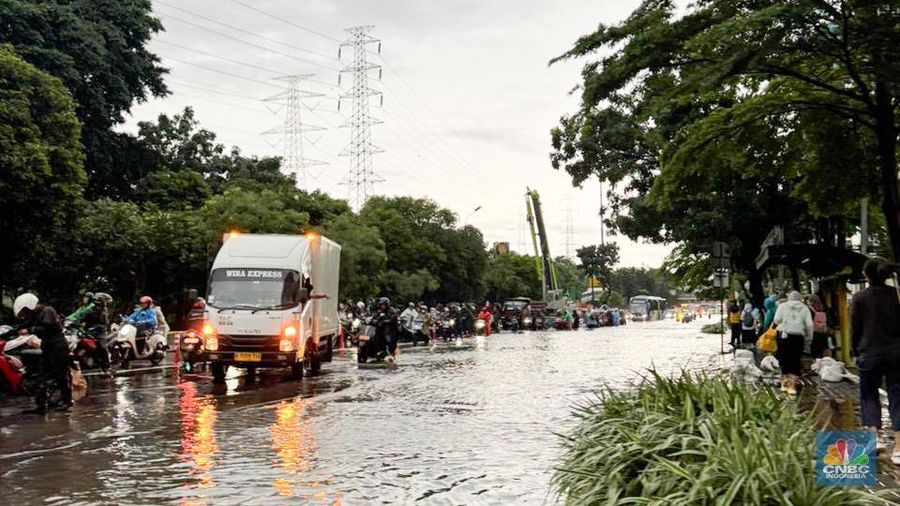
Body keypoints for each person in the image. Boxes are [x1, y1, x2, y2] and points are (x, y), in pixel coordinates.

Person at [851, 258, 900, 465]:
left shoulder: (860, 297)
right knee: (897, 395)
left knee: (869, 394)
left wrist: (855, 351)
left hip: (869, 353)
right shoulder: (894, 296)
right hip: (896, 353)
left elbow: (855, 328)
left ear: (866, 276)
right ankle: (899, 448)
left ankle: (874, 440)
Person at [14, 293, 72, 413]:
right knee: (42, 375)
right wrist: (13, 329)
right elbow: (24, 325)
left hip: (58, 346)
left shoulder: (48, 311)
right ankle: (42, 404)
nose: (25, 313)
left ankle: (66, 401)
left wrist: (29, 330)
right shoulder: (35, 315)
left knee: (60, 375)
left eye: (25, 310)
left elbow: (47, 327)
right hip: (47, 347)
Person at [773, 291, 813, 397]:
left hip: (783, 335)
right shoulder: (805, 308)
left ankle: (784, 384)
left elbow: (776, 320)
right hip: (797, 337)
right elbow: (809, 325)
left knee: (784, 358)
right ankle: (792, 386)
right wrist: (809, 338)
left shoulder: (782, 306)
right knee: (795, 360)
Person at [808, 294, 835, 358]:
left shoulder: (810, 310)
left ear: (811, 301)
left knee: (816, 354)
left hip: (815, 334)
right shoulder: (823, 309)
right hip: (824, 334)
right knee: (824, 352)